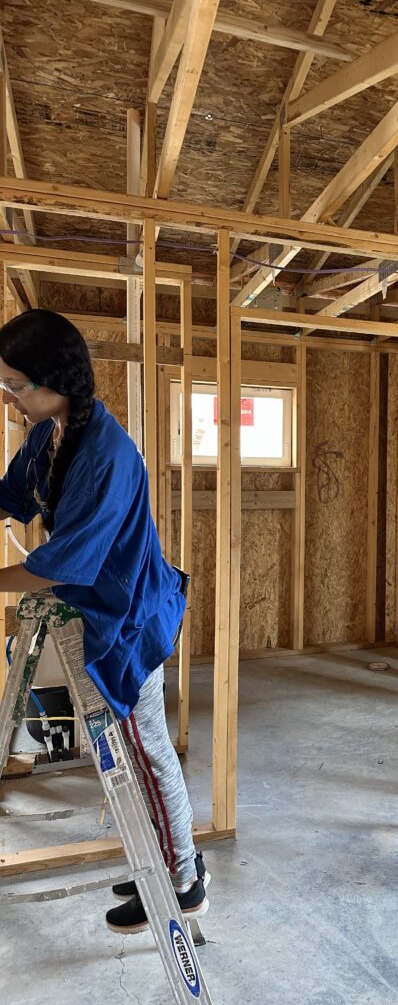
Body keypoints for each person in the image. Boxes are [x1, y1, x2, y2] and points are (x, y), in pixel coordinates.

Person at [0, 309, 208, 931]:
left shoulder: (108, 452)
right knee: (127, 750)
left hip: (128, 615)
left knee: (146, 752)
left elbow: (68, 562)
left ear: (54, 379)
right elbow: (11, 496)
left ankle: (184, 879)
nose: (9, 396)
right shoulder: (49, 431)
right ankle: (164, 859)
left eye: (16, 385)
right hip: (97, 607)